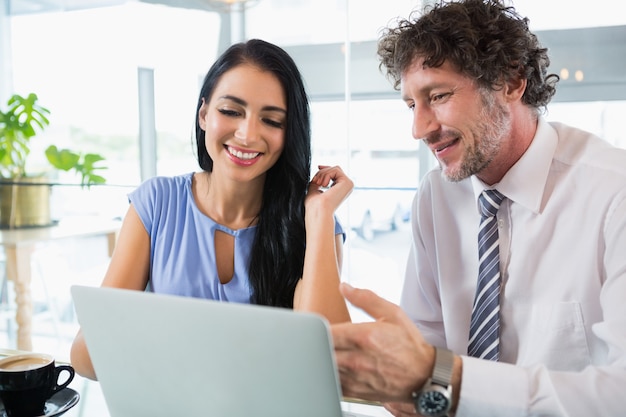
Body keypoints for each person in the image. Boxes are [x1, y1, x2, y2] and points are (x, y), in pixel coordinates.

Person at [331, 1, 626, 416]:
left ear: (511, 81)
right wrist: (406, 385)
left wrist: (447, 379)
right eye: (412, 105)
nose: (420, 129)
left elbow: (619, 395)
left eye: (438, 95)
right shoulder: (436, 197)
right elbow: (426, 366)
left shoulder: (615, 195)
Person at [71, 39, 353, 380]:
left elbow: (334, 363)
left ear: (289, 132)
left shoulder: (313, 221)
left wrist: (320, 216)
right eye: (231, 111)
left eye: (272, 120)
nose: (247, 135)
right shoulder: (157, 203)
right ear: (204, 114)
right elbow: (87, 357)